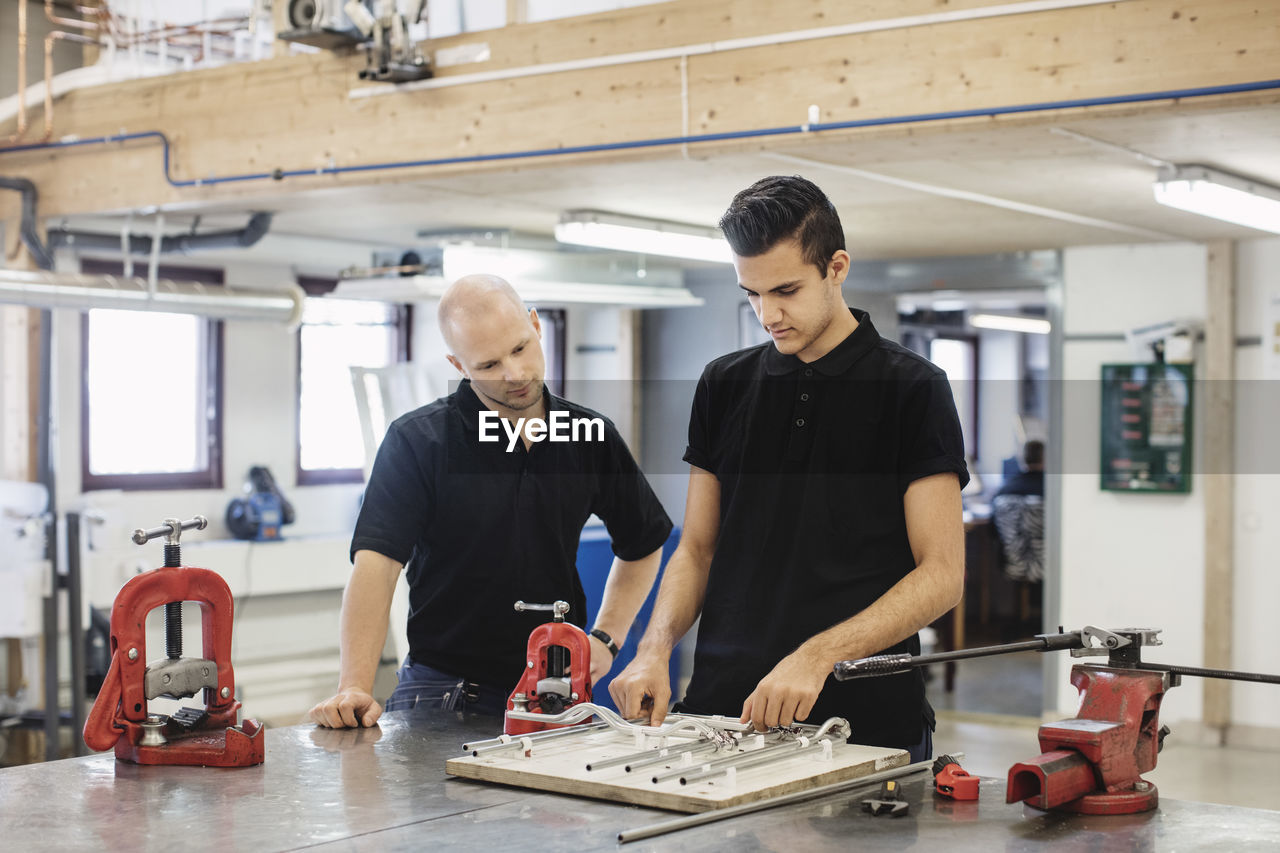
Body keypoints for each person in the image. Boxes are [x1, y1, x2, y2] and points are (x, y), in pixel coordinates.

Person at [609, 176, 968, 761]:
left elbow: (942, 575)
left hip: (864, 720)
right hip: (724, 712)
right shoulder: (723, 385)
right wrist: (654, 649)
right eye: (750, 294)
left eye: (786, 290)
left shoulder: (913, 389)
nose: (767, 314)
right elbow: (697, 549)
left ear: (837, 267)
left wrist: (818, 654)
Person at [309, 274, 672, 728]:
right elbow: (375, 569)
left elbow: (643, 542)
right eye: (488, 365)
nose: (514, 375)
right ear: (457, 364)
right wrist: (355, 685)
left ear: (536, 325)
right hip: (443, 692)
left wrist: (605, 638)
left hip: (557, 693)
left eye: (520, 349)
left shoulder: (589, 437)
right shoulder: (418, 441)